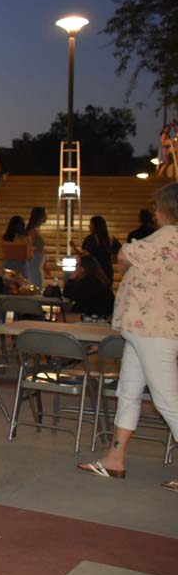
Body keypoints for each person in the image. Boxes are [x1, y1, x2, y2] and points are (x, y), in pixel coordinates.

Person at [78, 183, 178, 493]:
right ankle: (114, 459)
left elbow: (123, 255)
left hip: (153, 329)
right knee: (129, 391)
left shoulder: (165, 236)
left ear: (163, 210)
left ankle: (115, 458)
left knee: (168, 400)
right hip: (146, 329)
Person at [75, 215, 121, 285]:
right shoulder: (111, 239)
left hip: (93, 272)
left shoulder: (90, 239)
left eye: (91, 224)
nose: (89, 226)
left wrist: (75, 249)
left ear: (95, 226)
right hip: (106, 271)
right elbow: (117, 255)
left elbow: (84, 255)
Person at [24, 206, 48, 288]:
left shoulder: (36, 229)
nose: (46, 217)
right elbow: (29, 246)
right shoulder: (33, 231)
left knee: (38, 283)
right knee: (36, 284)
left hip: (38, 261)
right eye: (45, 214)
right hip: (34, 262)